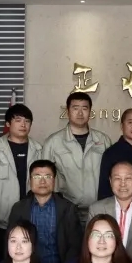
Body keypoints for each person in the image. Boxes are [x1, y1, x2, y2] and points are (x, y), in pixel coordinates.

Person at [42, 92, 113, 224]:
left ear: (90, 112)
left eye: (84, 108)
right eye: (75, 108)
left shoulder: (103, 140)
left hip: (99, 210)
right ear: (68, 111)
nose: (80, 113)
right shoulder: (53, 142)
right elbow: (44, 178)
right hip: (66, 211)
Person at [6, 159, 81, 263]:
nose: (42, 181)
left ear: (54, 180)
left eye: (47, 176)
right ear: (30, 181)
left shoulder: (68, 208)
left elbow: (75, 246)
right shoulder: (19, 208)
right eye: (37, 177)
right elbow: (9, 242)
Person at [0, 103, 42, 233]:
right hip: (1, 219)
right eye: (18, 120)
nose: (23, 125)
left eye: (27, 121)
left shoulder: (38, 149)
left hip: (32, 217)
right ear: (8, 123)